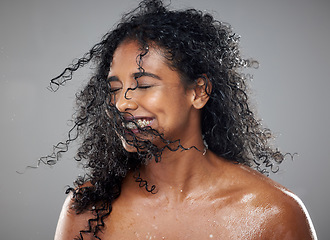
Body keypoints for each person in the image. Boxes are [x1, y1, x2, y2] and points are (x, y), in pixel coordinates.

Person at [52, 0, 317, 239]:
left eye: (143, 84)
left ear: (198, 92)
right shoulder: (88, 210)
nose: (121, 103)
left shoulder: (272, 214)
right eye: (113, 89)